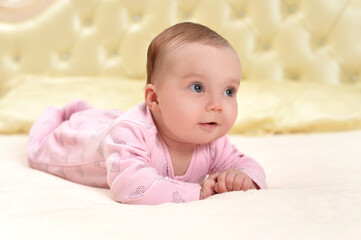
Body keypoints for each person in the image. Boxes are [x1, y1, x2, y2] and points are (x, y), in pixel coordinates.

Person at [27, 22, 267, 205]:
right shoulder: (130, 133)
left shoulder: (212, 140)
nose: (217, 105)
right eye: (198, 88)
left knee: (107, 120)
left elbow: (249, 166)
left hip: (116, 124)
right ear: (154, 99)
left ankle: (89, 113)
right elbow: (130, 185)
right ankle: (62, 112)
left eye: (228, 91)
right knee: (43, 146)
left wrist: (243, 178)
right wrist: (198, 192)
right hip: (79, 145)